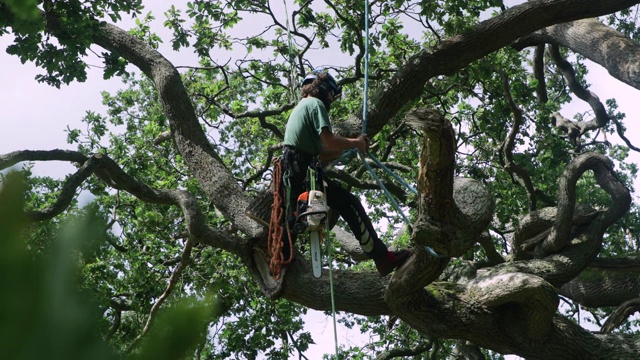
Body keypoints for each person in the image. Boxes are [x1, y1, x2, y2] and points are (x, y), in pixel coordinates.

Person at [278, 69, 411, 276]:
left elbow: (322, 152)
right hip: (300, 168)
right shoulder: (315, 104)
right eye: (331, 92)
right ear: (321, 87)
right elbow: (329, 140)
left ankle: (281, 260)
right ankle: (382, 258)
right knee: (348, 203)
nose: (332, 97)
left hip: (296, 167)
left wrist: (348, 148)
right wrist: (356, 143)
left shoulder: (302, 107)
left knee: (293, 218)